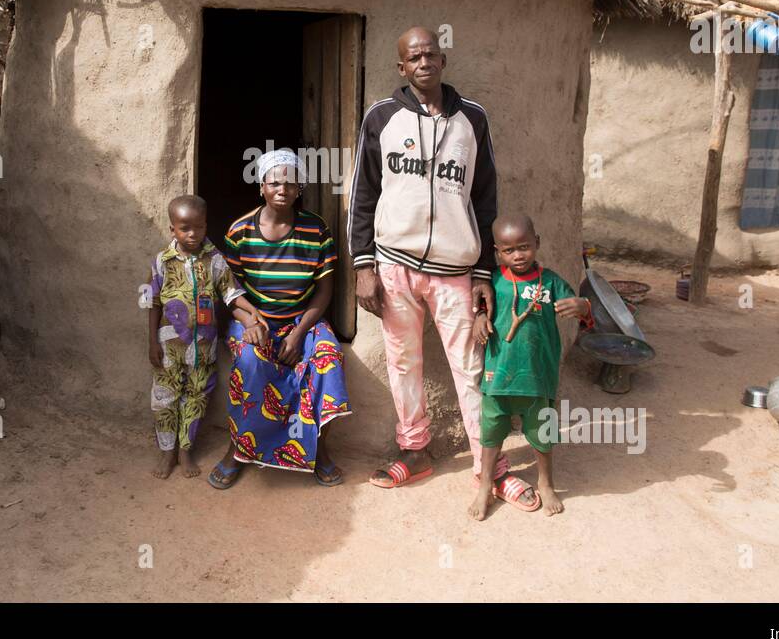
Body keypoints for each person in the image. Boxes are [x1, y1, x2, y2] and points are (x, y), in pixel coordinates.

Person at [348, 27, 511, 492]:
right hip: (393, 264)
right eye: (413, 57)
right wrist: (363, 266)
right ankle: (414, 451)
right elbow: (363, 194)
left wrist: (483, 272)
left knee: (472, 368)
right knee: (403, 363)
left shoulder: (472, 119)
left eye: (430, 55)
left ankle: (490, 466)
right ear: (402, 68)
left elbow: (485, 198)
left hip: (456, 270)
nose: (423, 63)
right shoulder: (382, 117)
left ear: (443, 61)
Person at [207, 149, 352, 489]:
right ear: (261, 187)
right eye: (274, 182)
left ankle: (319, 449)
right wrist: (251, 321)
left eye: (290, 183)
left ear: (300, 188)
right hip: (254, 318)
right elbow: (230, 291)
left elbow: (324, 291)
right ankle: (237, 451)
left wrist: (300, 333)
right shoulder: (240, 231)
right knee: (250, 362)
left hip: (304, 320)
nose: (282, 189)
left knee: (328, 360)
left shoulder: (316, 230)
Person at [470, 214, 592, 520]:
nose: (517, 255)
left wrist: (582, 306)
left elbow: (584, 311)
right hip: (498, 374)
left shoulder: (550, 282)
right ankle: (485, 484)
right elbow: (481, 308)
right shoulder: (495, 281)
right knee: (491, 431)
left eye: (524, 247)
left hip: (538, 375)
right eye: (508, 250)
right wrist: (480, 319)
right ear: (497, 252)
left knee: (542, 431)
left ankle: (546, 483)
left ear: (536, 243)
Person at [143, 194, 260, 479]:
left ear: (206, 226)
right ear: (173, 229)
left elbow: (230, 292)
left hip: (203, 348)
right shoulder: (162, 262)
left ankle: (185, 449)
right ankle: (167, 451)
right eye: (185, 228)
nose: (193, 234)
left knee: (196, 398)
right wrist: (151, 342)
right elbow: (152, 302)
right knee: (165, 398)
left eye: (199, 227)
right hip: (169, 347)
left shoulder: (215, 259)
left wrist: (252, 310)